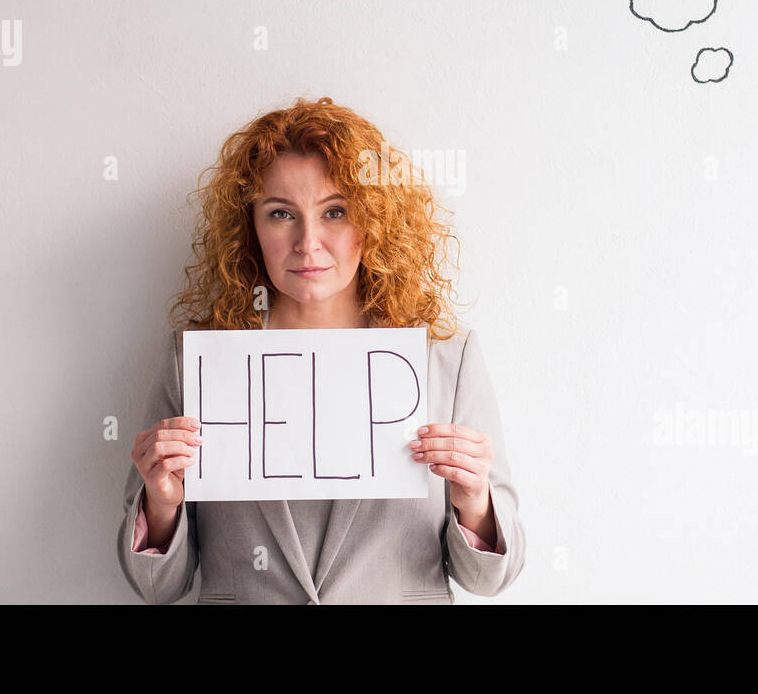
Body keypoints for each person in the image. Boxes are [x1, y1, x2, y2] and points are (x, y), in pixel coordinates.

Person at [116, 96, 524, 603]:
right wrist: (160, 504)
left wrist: (474, 502)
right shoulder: (197, 362)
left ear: (373, 221)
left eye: (335, 211)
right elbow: (158, 588)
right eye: (281, 213)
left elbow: (490, 579)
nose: (308, 242)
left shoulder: (446, 358)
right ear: (251, 229)